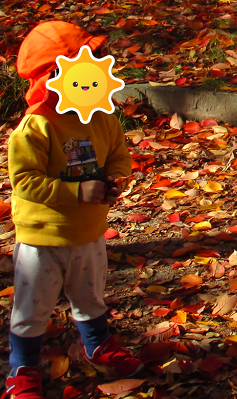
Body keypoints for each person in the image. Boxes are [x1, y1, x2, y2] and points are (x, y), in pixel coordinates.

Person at [6, 22, 141, 399]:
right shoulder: (36, 127)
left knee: (90, 295)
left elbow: (118, 157)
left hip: (89, 232)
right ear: (53, 78)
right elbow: (25, 181)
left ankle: (97, 344)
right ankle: (22, 367)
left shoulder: (102, 118)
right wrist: (75, 191)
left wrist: (116, 179)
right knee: (33, 306)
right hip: (43, 238)